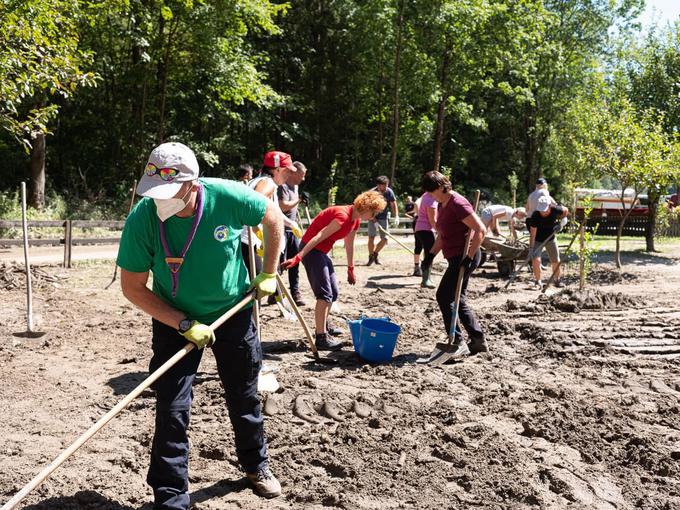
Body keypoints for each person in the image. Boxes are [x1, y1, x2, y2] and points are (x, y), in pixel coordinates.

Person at [117, 142, 284, 508]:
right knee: (172, 407)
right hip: (172, 316)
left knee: (243, 396)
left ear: (193, 184)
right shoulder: (143, 219)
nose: (159, 201)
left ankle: (256, 466)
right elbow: (132, 287)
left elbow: (272, 218)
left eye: (168, 192)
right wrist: (182, 322)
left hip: (232, 310)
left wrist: (269, 273)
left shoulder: (228, 196)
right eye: (153, 192)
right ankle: (171, 495)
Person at [282, 191, 387, 350]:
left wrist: (350, 268)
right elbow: (318, 236)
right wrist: (298, 256)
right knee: (324, 294)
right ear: (365, 207)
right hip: (311, 250)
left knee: (334, 292)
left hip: (321, 252)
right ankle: (321, 337)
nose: (373, 217)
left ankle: (324, 324)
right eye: (373, 213)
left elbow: (349, 244)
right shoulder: (342, 216)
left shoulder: (354, 220)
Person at [421, 171, 487, 358]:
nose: (431, 197)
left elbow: (480, 230)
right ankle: (478, 340)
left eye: (432, 192)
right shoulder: (443, 204)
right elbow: (443, 234)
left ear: (442, 187)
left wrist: (469, 256)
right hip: (454, 257)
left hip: (465, 257)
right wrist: (431, 255)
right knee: (458, 298)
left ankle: (457, 341)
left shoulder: (458, 203)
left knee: (444, 296)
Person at [240, 151, 302, 278]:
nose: (290, 175)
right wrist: (258, 232)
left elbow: (273, 212)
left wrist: (291, 223)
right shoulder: (268, 183)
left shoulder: (260, 180)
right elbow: (255, 205)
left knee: (266, 285)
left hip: (249, 242)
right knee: (258, 285)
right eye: (288, 171)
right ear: (277, 170)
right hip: (249, 243)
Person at [277, 160, 308, 306]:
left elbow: (293, 205)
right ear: (294, 173)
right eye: (301, 175)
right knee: (280, 263)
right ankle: (275, 292)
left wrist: (300, 201)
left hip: (293, 230)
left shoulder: (295, 187)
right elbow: (283, 206)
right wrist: (298, 200)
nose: (303, 179)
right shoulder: (282, 186)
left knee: (295, 261)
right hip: (281, 229)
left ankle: (295, 292)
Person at [529, 195, 569, 289]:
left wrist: (561, 223)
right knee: (536, 259)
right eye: (541, 210)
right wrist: (531, 248)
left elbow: (566, 211)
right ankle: (538, 282)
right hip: (538, 239)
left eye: (545, 210)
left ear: (550, 206)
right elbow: (533, 233)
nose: (543, 212)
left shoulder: (555, 209)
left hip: (551, 238)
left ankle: (557, 280)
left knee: (555, 260)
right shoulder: (535, 215)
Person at [367, 175, 398, 265]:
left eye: (386, 185)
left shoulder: (389, 192)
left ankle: (375, 254)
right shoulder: (372, 193)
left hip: (383, 217)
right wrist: (374, 220)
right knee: (371, 237)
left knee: (385, 238)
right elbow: (368, 209)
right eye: (383, 185)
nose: (385, 187)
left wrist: (396, 216)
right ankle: (370, 257)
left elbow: (393, 204)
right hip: (372, 217)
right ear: (378, 185)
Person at [415, 190, 439, 288]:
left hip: (420, 228)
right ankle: (425, 280)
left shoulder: (425, 195)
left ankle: (427, 278)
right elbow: (432, 221)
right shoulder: (431, 200)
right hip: (426, 229)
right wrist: (441, 231)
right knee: (430, 254)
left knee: (428, 253)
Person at [403, 195, 421, 275]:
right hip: (419, 222)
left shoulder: (418, 201)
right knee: (420, 245)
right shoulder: (421, 200)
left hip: (417, 221)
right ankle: (419, 268)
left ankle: (420, 267)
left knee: (419, 245)